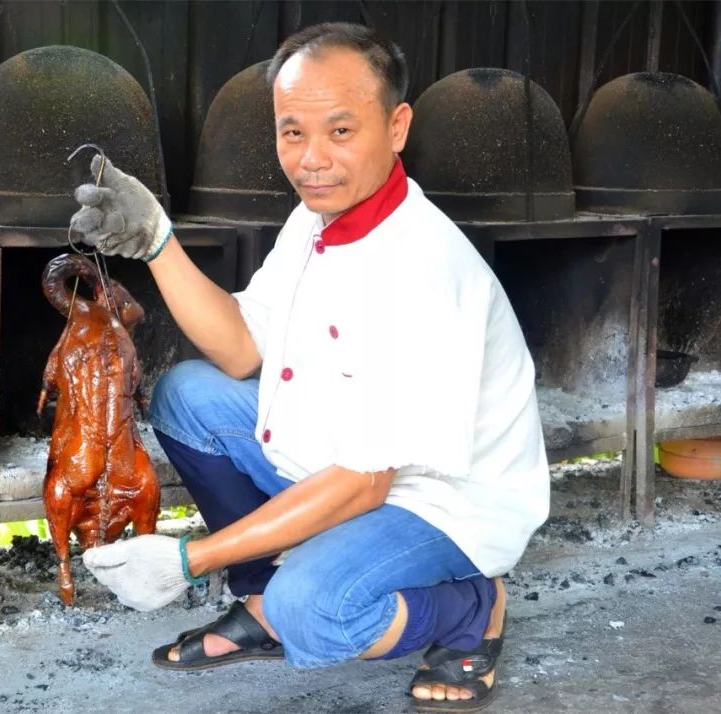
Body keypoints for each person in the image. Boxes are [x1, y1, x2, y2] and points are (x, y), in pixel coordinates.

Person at [68, 22, 549, 712]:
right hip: (350, 462)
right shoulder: (317, 219)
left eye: (341, 132)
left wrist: (186, 560)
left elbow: (366, 483)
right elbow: (239, 349)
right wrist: (157, 242)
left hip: (444, 502)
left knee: (315, 615)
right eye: (293, 132)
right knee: (188, 399)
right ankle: (262, 600)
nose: (312, 159)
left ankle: (471, 608)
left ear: (397, 125)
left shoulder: (424, 271)